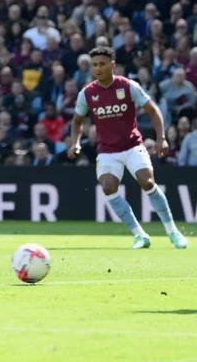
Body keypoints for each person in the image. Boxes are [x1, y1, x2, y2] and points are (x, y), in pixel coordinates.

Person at [68, 47, 187, 250]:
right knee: (108, 186)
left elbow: (154, 110)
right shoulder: (87, 93)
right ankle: (140, 235)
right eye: (95, 64)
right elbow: (77, 121)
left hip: (133, 146)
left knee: (147, 181)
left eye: (102, 64)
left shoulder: (128, 86)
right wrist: (75, 142)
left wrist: (161, 138)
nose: (98, 68)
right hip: (107, 150)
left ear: (112, 65)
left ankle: (173, 231)